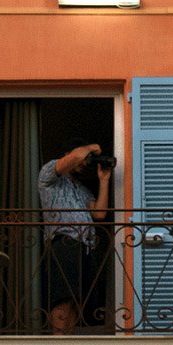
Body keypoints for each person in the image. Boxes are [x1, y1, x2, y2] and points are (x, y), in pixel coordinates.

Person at [37, 142, 112, 333]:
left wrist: (104, 180)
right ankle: (58, 339)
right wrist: (91, 148)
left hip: (85, 247)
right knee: (62, 298)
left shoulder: (81, 189)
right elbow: (76, 157)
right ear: (67, 154)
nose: (84, 163)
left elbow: (100, 213)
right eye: (83, 159)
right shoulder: (49, 175)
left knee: (77, 302)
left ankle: (67, 340)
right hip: (64, 243)